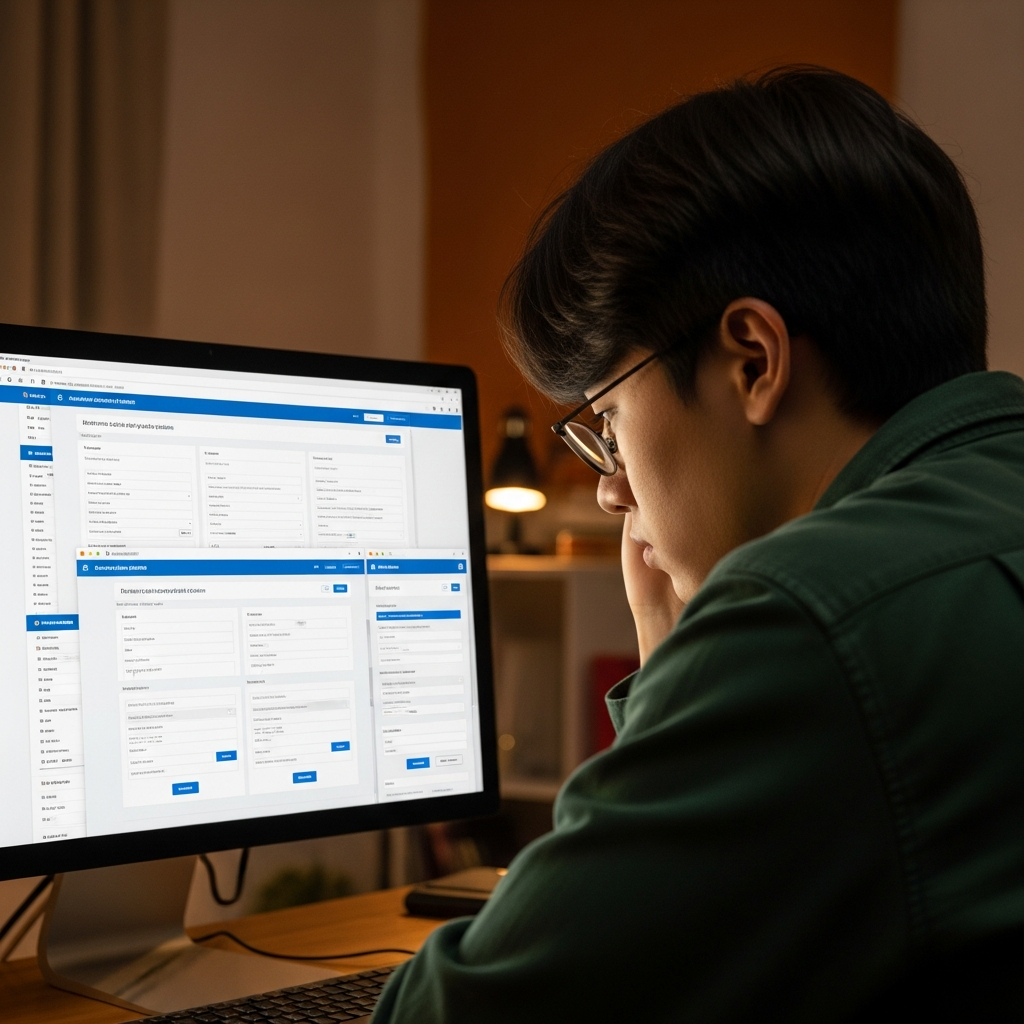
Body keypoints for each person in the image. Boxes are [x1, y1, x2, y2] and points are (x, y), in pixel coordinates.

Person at [373, 67, 1023, 1023]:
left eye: (608, 417)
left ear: (751, 362)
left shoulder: (807, 617)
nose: (610, 486)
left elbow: (456, 1015)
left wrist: (697, 661)